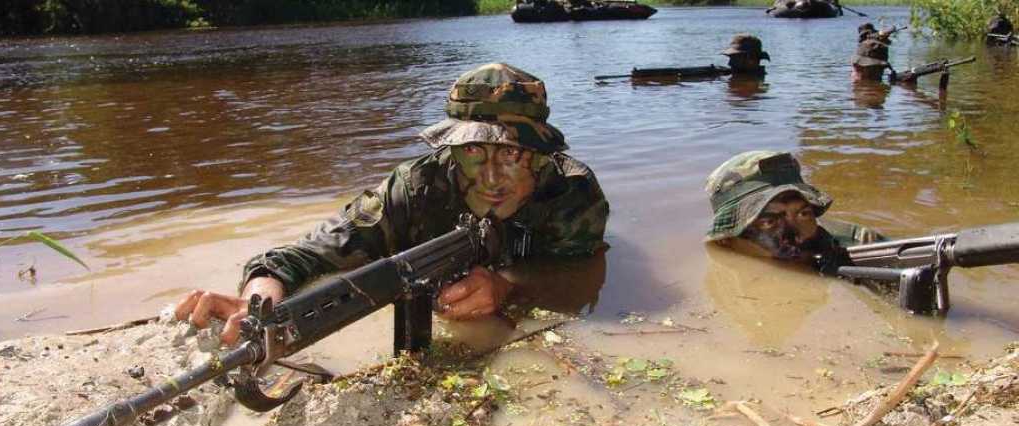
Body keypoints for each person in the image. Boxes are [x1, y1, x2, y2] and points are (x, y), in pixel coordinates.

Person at [175, 63, 610, 345]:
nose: (492, 177)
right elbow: (307, 253)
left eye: (512, 154)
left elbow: (576, 274)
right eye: (474, 151)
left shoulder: (572, 194)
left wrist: (510, 286)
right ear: (451, 150)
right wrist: (260, 297)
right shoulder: (416, 187)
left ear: (538, 153)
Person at [703, 151, 885, 273]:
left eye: (803, 214)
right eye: (769, 223)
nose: (798, 237)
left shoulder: (863, 243)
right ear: (726, 239)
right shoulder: (725, 272)